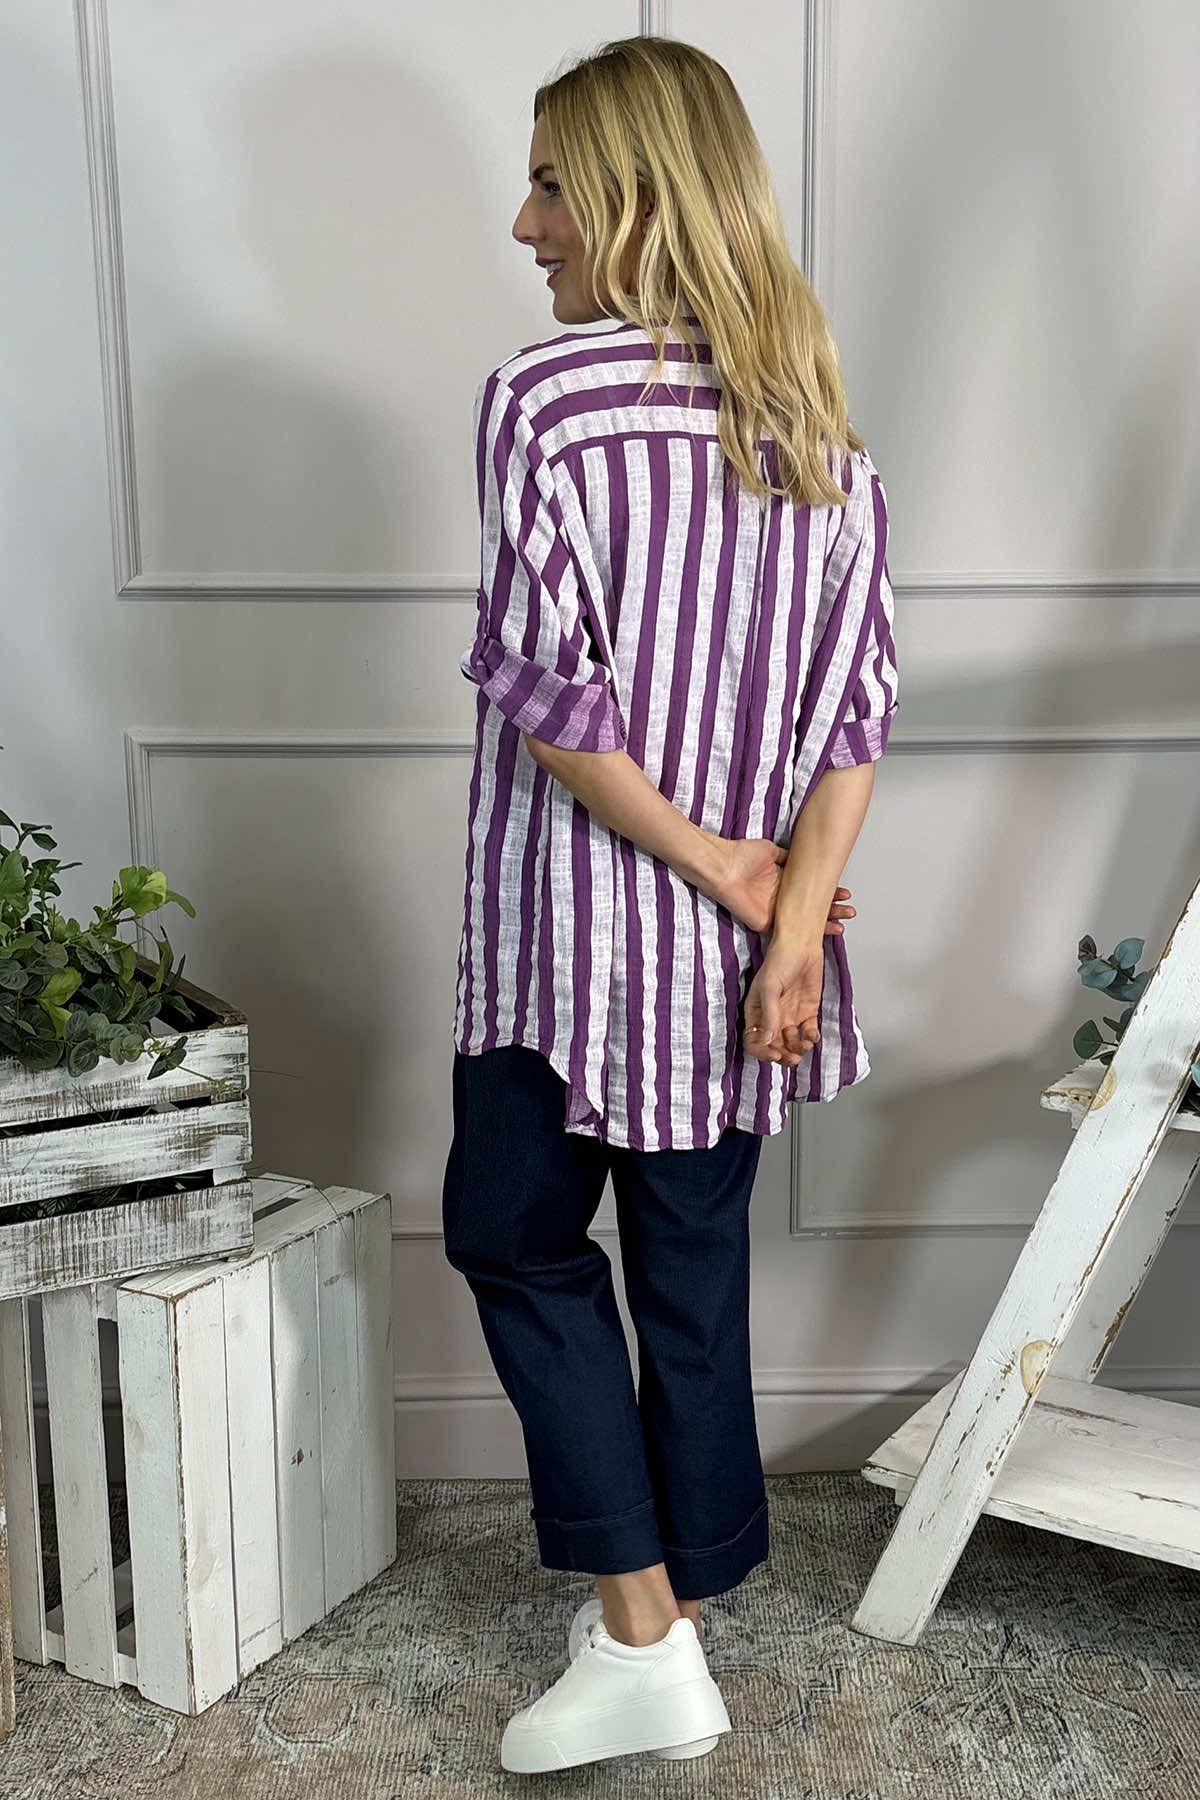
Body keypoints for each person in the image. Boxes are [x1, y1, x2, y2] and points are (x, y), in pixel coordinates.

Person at [441, 32, 899, 1774]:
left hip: (565, 957)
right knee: (693, 1279)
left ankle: (642, 1641)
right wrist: (787, 930)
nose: (525, 226)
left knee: (514, 1238)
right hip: (733, 971)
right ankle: (674, 1612)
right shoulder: (818, 423)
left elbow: (551, 704)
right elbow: (857, 718)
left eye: (552, 183)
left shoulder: (545, 404)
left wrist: (720, 863)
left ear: (635, 194)